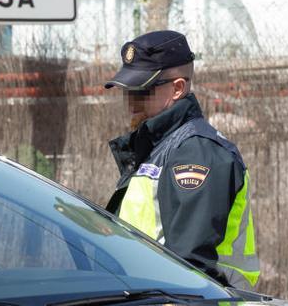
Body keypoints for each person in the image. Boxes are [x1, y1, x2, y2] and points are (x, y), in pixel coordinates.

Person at [103, 30, 260, 290]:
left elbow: (189, 270)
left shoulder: (196, 153)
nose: (130, 103)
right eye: (126, 92)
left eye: (141, 91)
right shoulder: (159, 148)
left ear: (177, 88)